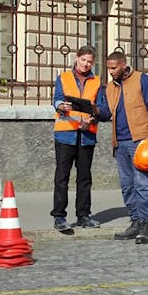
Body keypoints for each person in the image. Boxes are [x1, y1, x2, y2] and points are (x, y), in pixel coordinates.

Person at [52, 45, 109, 233]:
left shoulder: (97, 81)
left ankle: (83, 215)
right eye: (83, 60)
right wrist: (62, 106)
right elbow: (57, 99)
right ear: (76, 59)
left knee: (84, 178)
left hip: (86, 135)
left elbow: (102, 109)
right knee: (62, 176)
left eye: (90, 61)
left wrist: (92, 117)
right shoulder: (63, 78)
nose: (86, 64)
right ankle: (59, 216)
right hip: (65, 132)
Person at [105, 51, 148, 244]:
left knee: (142, 184)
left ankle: (146, 224)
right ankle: (135, 220)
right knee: (127, 185)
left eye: (113, 68)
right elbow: (105, 112)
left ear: (123, 65)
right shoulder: (111, 87)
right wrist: (92, 112)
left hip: (140, 140)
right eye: (108, 68)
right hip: (119, 142)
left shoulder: (141, 79)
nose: (110, 72)